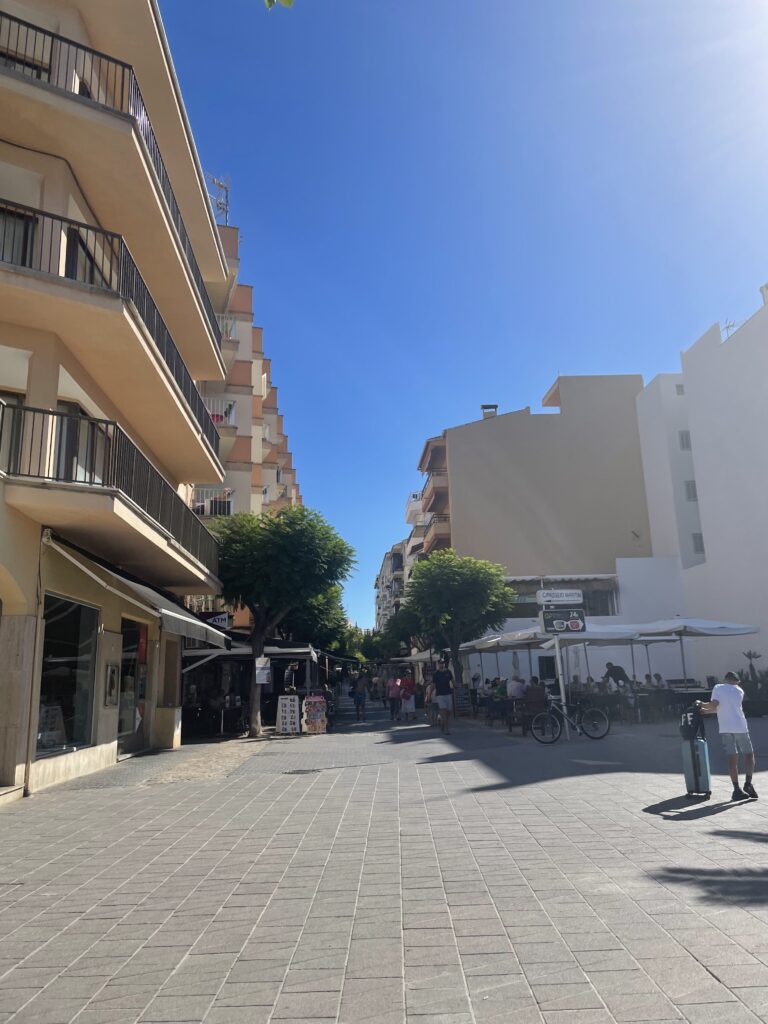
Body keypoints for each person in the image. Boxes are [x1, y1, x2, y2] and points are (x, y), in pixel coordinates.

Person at [698, 671, 758, 801]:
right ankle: (748, 784)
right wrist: (705, 709)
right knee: (749, 755)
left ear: (725, 679)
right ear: (737, 681)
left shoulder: (718, 687)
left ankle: (736, 789)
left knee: (732, 758)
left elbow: (715, 706)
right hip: (740, 727)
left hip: (725, 728)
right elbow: (723, 707)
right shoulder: (740, 691)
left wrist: (701, 705)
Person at [432, 661, 454, 735]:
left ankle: (442, 724)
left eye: (443, 663)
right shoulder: (436, 674)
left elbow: (452, 680)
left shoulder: (448, 672)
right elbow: (433, 685)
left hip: (448, 693)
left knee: (449, 712)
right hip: (440, 695)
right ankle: (447, 729)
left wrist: (456, 685)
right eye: (440, 663)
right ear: (438, 664)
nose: (442, 664)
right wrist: (430, 694)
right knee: (444, 712)